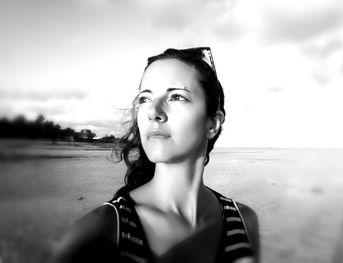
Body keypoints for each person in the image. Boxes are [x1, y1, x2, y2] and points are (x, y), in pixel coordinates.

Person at [51, 47, 260, 263]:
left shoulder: (243, 220)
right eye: (144, 99)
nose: (153, 112)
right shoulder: (99, 231)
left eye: (177, 96)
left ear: (212, 123)